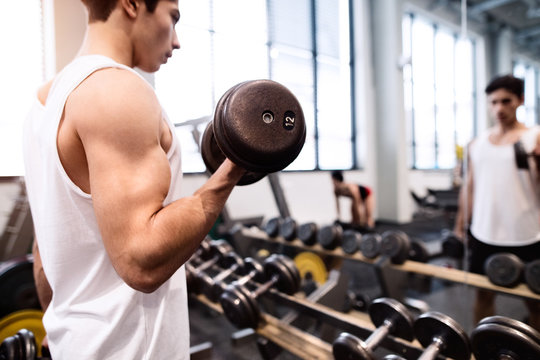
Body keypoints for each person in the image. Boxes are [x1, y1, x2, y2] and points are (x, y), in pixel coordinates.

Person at [22, 0, 246, 358]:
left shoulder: (42, 106)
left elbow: (44, 251)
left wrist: (54, 318)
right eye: (172, 18)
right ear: (132, 4)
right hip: (128, 349)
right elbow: (141, 261)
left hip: (73, 342)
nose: (176, 41)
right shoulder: (116, 90)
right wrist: (233, 169)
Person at [453, 74, 540, 330]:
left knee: (534, 302)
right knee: (482, 295)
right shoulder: (477, 144)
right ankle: (482, 347)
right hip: (484, 233)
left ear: (520, 101)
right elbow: (469, 187)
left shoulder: (535, 136)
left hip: (527, 233)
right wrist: (460, 226)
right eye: (493, 102)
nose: (499, 108)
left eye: (506, 101)